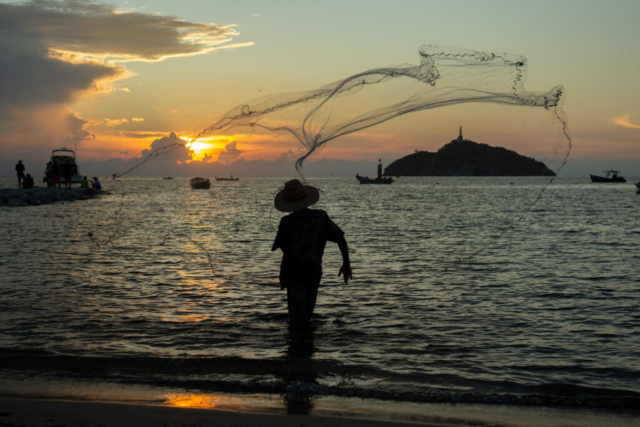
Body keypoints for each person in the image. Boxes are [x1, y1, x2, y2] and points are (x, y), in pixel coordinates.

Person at [272, 179, 352, 330]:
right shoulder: (321, 217)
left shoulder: (286, 222)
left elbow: (278, 246)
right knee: (307, 318)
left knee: (297, 321)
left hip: (294, 275)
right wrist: (346, 263)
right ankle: (307, 348)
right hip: (313, 274)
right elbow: (341, 239)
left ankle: (297, 349)